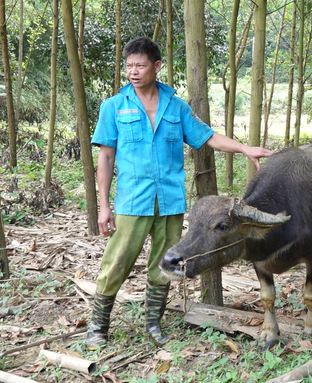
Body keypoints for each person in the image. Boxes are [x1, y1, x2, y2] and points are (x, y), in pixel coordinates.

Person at [87, 36, 272, 350]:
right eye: (129, 66)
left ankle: (153, 324)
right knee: (117, 261)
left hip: (170, 202)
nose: (133, 71)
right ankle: (97, 327)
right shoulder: (113, 107)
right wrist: (103, 205)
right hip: (133, 200)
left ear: (156, 67)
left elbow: (207, 136)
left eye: (140, 65)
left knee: (167, 263)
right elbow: (105, 157)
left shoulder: (176, 106)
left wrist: (242, 148)